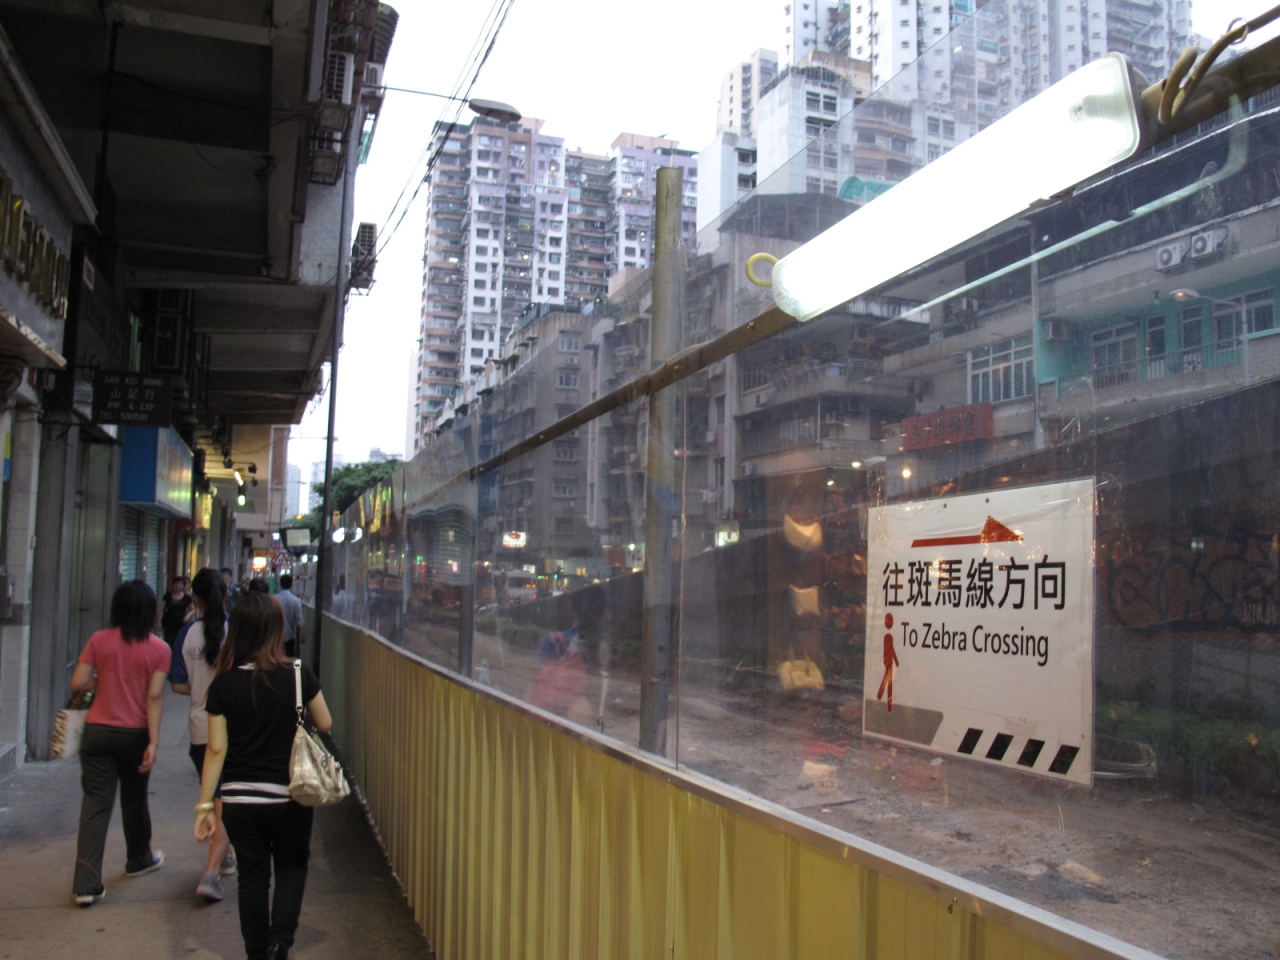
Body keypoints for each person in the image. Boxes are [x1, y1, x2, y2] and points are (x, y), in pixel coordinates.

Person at [196, 592, 333, 960]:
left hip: (239, 802)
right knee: (291, 866)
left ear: (237, 631)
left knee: (252, 878)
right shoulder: (298, 674)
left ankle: (256, 953)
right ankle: (279, 943)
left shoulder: (222, 684)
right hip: (289, 797)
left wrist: (205, 806)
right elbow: (325, 722)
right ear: (276, 630)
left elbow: (216, 750)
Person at [71, 580, 169, 907]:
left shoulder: (99, 640)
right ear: (150, 612)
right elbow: (154, 696)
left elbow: (79, 681)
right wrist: (154, 742)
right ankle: (138, 859)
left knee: (95, 806)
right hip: (135, 735)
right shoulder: (159, 649)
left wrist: (103, 681)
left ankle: (86, 885)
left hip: (97, 732)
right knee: (134, 798)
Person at [169, 568, 237, 902]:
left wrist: (200, 687)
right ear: (225, 595)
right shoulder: (235, 632)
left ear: (195, 599)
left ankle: (224, 856)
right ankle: (210, 874)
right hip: (233, 727)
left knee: (214, 797)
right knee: (225, 802)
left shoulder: (186, 635)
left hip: (199, 728)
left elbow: (178, 685)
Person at [275, 574, 305, 658]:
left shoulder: (274, 599)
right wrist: (302, 635)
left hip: (275, 638)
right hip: (289, 639)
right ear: (291, 585)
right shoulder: (296, 601)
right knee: (289, 660)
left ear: (280, 584)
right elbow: (299, 621)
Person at [161, 575, 194, 649]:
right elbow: (162, 609)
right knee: (168, 642)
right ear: (173, 585)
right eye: (176, 583)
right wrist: (159, 621)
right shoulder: (168, 596)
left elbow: (193, 609)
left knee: (179, 642)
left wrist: (188, 615)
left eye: (180, 584)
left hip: (181, 623)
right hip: (169, 623)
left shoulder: (187, 598)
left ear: (183, 586)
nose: (178, 585)